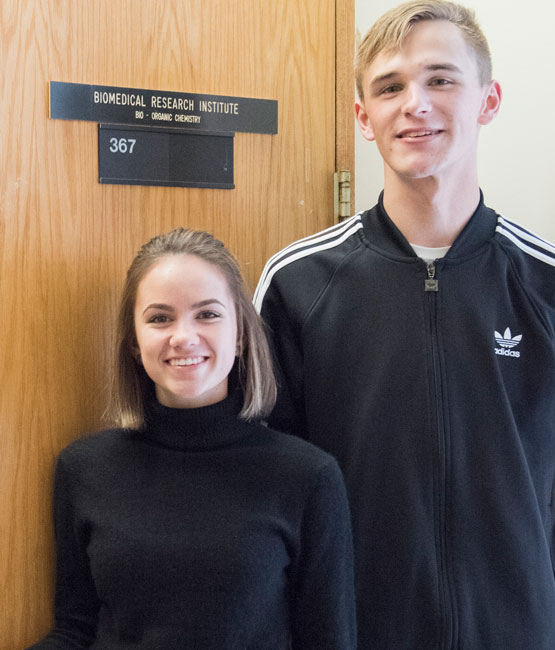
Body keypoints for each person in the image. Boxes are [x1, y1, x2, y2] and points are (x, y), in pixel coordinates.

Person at [254, 2, 555, 649]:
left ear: (488, 100)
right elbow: (263, 492)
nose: (415, 103)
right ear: (363, 116)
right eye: (389, 86)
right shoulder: (294, 286)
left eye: (441, 78)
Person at [29, 228, 356, 650]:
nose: (183, 337)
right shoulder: (82, 469)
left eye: (207, 314)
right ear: (133, 341)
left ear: (240, 334)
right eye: (160, 317)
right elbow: (75, 629)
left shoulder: (308, 477)